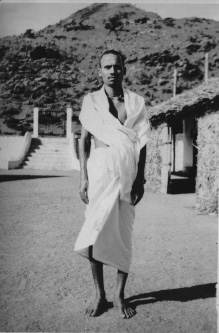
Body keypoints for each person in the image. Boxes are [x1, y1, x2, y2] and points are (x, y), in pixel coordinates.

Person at [74, 49, 150, 319]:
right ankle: (100, 295)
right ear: (99, 71)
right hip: (99, 174)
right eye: (107, 67)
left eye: (116, 66)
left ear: (124, 69)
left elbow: (141, 146)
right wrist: (83, 177)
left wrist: (140, 180)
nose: (112, 71)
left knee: (123, 235)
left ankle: (119, 295)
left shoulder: (136, 103)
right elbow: (83, 142)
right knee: (94, 231)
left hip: (127, 176)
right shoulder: (91, 101)